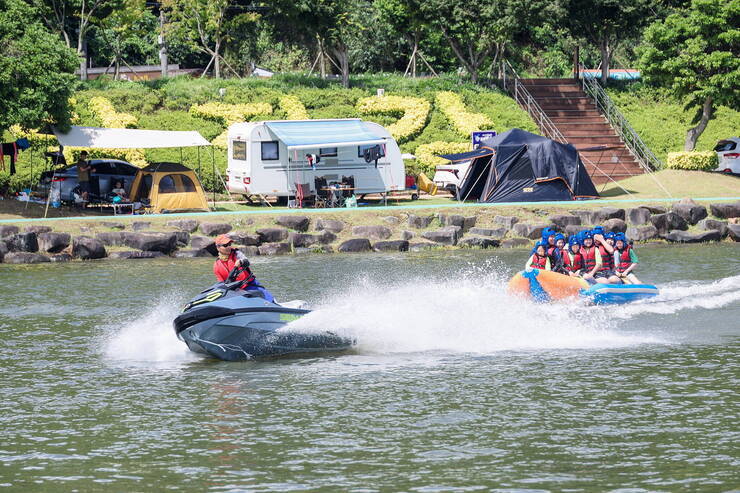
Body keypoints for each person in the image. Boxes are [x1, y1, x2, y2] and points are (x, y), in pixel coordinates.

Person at [213, 234, 275, 302]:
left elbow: (246, 261)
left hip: (251, 285)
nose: (228, 247)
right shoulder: (217, 266)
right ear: (218, 247)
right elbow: (222, 284)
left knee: (269, 299)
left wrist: (241, 262)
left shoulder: (237, 253)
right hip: (235, 292)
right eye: (225, 245)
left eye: (229, 244)